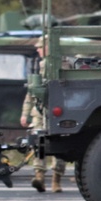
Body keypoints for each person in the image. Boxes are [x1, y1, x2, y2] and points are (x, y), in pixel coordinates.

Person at [21, 42, 66, 193]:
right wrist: (25, 114)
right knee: (38, 143)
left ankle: (56, 180)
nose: (38, 50)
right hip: (40, 112)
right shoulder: (38, 64)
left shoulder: (61, 63)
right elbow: (32, 91)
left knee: (59, 143)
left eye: (41, 47)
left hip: (56, 110)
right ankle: (39, 177)